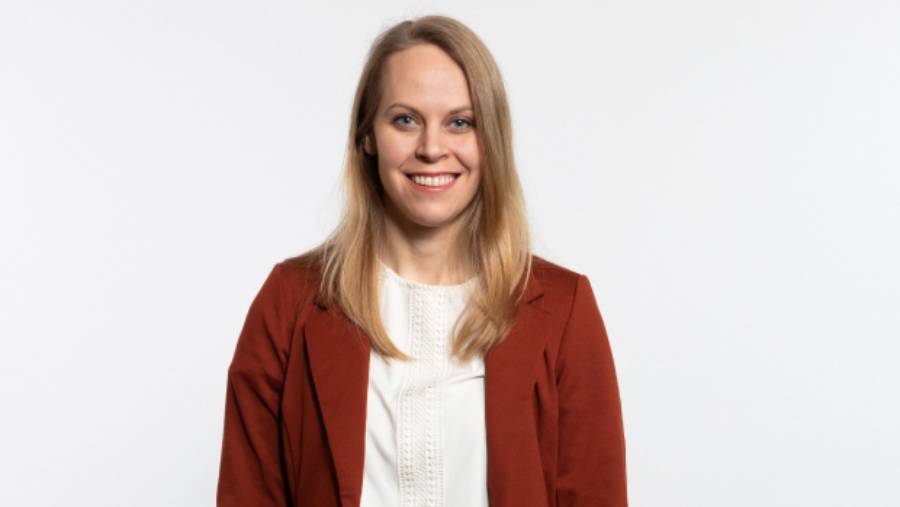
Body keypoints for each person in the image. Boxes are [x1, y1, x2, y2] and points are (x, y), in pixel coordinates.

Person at [216, 14, 627, 507]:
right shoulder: (290, 303)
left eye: (460, 122)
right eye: (405, 120)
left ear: (490, 141)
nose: (432, 149)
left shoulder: (563, 310)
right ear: (368, 136)